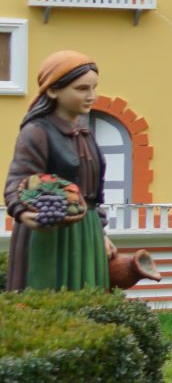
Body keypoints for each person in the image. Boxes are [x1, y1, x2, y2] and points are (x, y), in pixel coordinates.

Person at [6, 50, 116, 292]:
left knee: (87, 297)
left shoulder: (85, 132)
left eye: (93, 88)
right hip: (49, 231)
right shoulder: (36, 132)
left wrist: (100, 233)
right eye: (82, 89)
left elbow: (93, 195)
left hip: (86, 230)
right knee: (48, 294)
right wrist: (23, 212)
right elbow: (17, 182)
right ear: (53, 90)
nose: (91, 96)